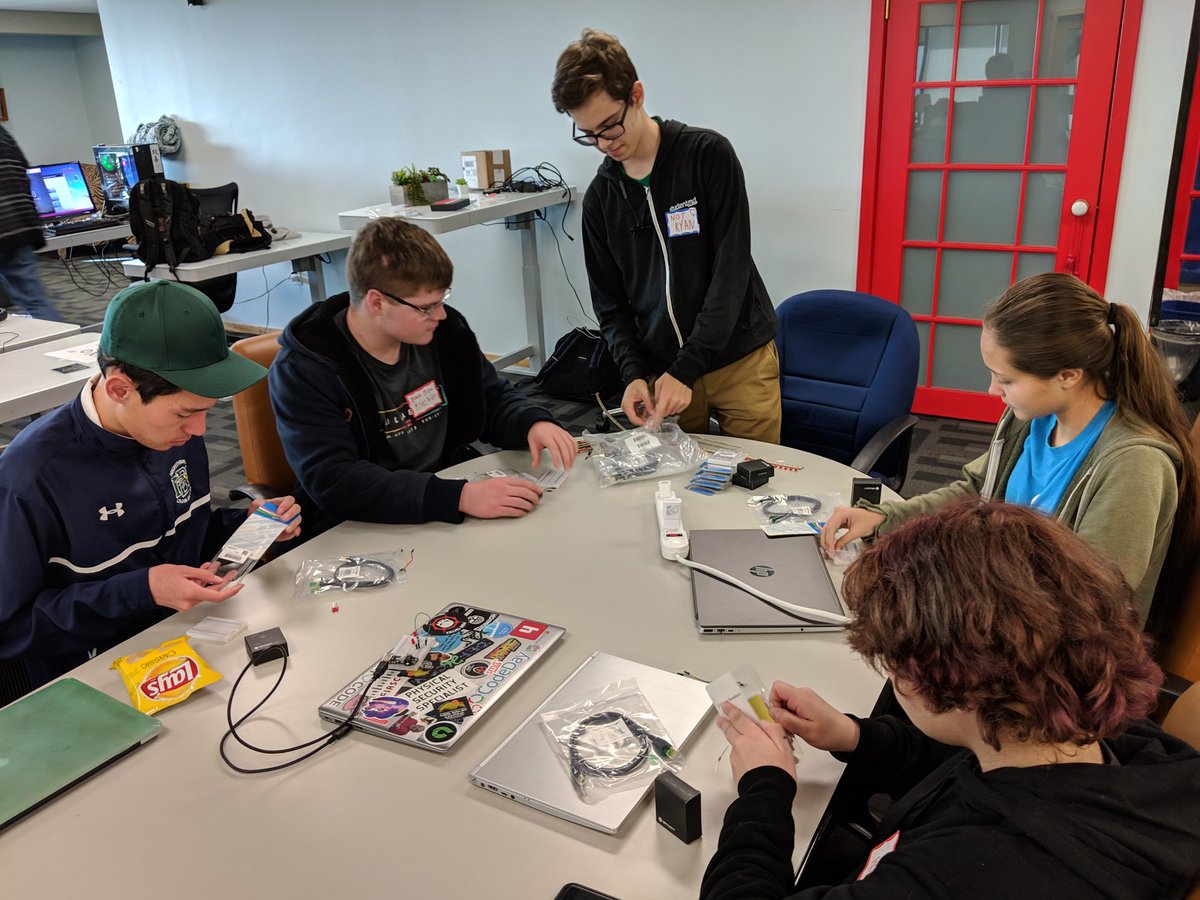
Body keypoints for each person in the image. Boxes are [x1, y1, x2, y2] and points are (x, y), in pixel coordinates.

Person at [704, 501, 1200, 899]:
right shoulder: (1099, 734)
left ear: (945, 686)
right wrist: (854, 736)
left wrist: (764, 788)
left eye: (892, 666)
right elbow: (962, 755)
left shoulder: (964, 874)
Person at [821, 272, 1198, 624]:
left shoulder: (1134, 464)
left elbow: (1090, 604)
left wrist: (957, 593)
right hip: (998, 605)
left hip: (1056, 645)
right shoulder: (1033, 419)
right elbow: (975, 492)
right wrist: (886, 518)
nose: (992, 391)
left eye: (1006, 380)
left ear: (1068, 376)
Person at [0, 281, 301, 689]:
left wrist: (247, 527)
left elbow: (181, 540)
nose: (199, 430)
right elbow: (13, 628)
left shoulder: (171, 433)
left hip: (191, 641)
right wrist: (141, 590)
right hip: (95, 675)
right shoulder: (30, 479)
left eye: (207, 411)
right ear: (119, 389)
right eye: (185, 413)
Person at [270, 216, 576, 535]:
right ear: (377, 302)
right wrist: (458, 497)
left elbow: (490, 398)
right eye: (426, 307)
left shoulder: (445, 332)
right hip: (359, 522)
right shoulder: (305, 369)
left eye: (442, 300)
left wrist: (530, 422)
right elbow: (335, 480)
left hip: (444, 495)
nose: (440, 315)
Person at [551, 28, 781, 441]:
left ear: (636, 95)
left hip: (738, 360)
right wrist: (633, 373)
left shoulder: (707, 155)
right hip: (663, 374)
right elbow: (610, 305)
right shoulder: (601, 198)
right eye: (588, 134)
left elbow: (731, 274)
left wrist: (688, 366)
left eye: (609, 127)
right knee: (677, 479)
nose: (603, 144)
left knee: (758, 473)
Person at [0, 124, 61, 321]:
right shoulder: (3, 134)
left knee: (31, 299)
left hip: (5, 227)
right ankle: (61, 339)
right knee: (34, 299)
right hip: (22, 224)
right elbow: (24, 170)